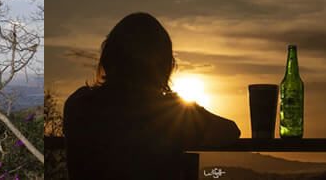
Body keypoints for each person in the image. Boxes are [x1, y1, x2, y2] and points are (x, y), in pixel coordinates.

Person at [63, 12, 240, 179]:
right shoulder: (169, 116)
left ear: (109, 58)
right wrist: (186, 108)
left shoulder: (79, 105)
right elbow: (229, 131)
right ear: (162, 67)